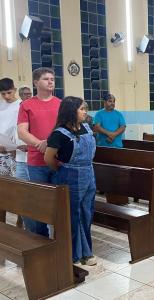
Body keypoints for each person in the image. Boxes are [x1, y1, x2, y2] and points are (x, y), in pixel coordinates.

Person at [44, 96, 97, 266]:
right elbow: (49, 158)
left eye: (85, 108)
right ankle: (74, 253)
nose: (85, 112)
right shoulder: (59, 134)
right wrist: (62, 170)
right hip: (69, 176)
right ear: (71, 111)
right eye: (81, 109)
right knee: (73, 216)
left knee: (86, 213)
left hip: (89, 173)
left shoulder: (87, 128)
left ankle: (87, 251)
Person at [17, 67, 61, 237]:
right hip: (36, 162)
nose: (50, 81)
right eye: (46, 79)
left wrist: (49, 144)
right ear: (36, 82)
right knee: (41, 204)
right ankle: (42, 241)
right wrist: (40, 144)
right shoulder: (27, 105)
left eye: (52, 79)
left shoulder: (60, 103)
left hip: (59, 160)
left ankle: (59, 240)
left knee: (59, 203)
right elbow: (22, 131)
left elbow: (65, 128)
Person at [0, 78, 21, 177]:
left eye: (9, 92)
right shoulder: (0, 105)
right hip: (1, 148)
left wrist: (15, 148)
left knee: (15, 183)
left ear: (15, 90)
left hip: (15, 150)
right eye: (3, 94)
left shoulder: (22, 105)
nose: (6, 96)